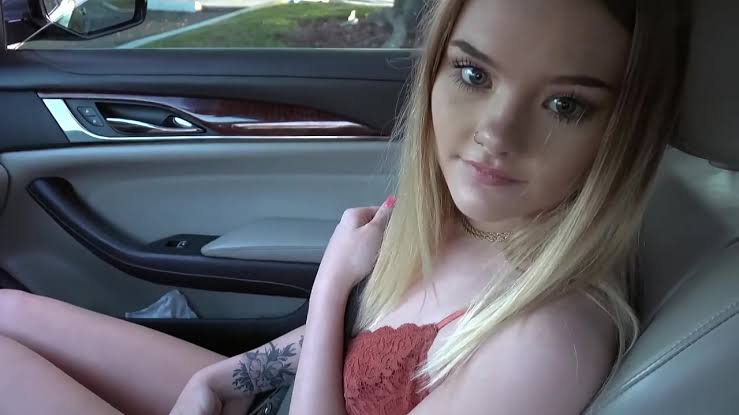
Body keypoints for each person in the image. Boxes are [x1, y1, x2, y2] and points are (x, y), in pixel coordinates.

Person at [0, 0, 689, 413]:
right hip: (276, 400)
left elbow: (341, 325)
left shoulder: (548, 339)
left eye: (565, 104)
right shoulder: (476, 223)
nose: (496, 133)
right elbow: (357, 344)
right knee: (8, 312)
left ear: (625, 127)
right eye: (473, 73)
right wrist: (217, 378)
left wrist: (332, 283)